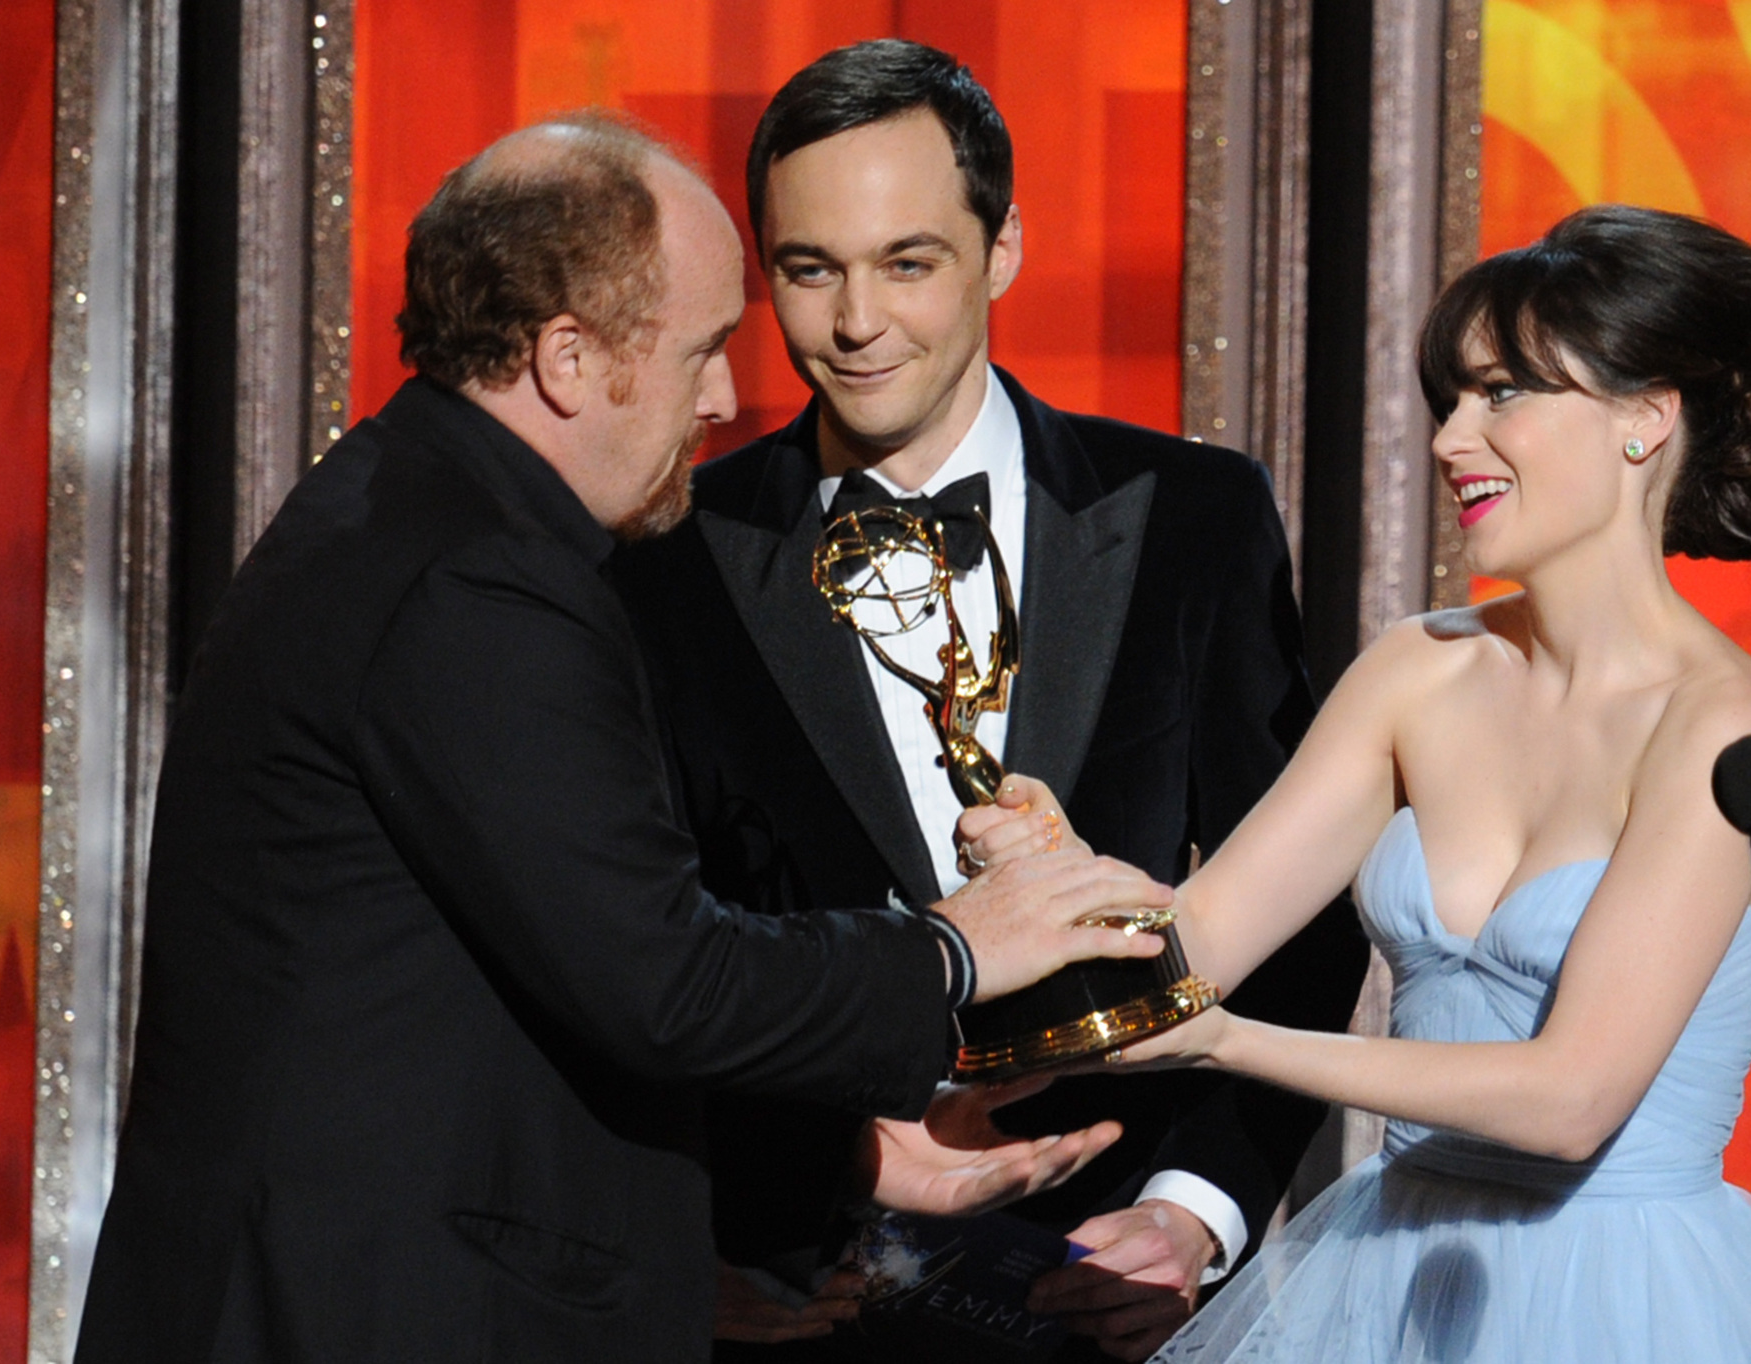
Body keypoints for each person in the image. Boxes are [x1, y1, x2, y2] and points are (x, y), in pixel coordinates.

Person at [74, 114, 1177, 1364]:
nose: (722, 397)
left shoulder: (416, 515)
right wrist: (951, 949)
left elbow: (538, 982)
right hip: (370, 1311)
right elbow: (665, 978)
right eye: (701, 348)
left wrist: (845, 1149)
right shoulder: (474, 579)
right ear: (565, 357)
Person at [967, 204, 1751, 1361]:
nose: (1448, 438)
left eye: (1501, 394)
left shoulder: (1721, 725)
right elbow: (1189, 944)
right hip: (1387, 1276)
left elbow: (1569, 1098)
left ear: (1644, 418)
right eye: (1449, 398)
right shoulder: (1417, 669)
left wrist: (1227, 1041)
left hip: (1625, 1297)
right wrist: (1059, 887)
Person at [608, 39, 1365, 1363]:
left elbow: (1307, 915)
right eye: (809, 269)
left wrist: (1193, 1214)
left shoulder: (1195, 518)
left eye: (908, 262)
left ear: (1001, 248)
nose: (856, 323)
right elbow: (615, 954)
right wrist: (690, 1248)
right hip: (791, 1296)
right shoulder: (662, 557)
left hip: (1104, 1289)